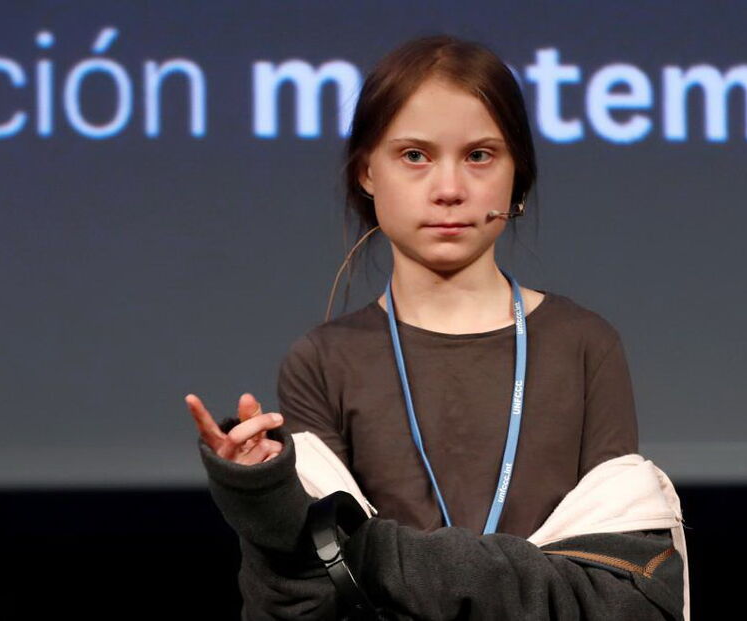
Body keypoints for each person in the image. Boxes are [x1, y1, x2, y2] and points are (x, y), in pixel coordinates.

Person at [186, 34, 687, 620]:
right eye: (415, 156)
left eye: (479, 155)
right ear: (367, 170)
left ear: (516, 174)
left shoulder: (583, 344)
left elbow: (616, 582)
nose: (449, 190)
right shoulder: (324, 360)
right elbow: (312, 584)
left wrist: (379, 556)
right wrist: (264, 495)